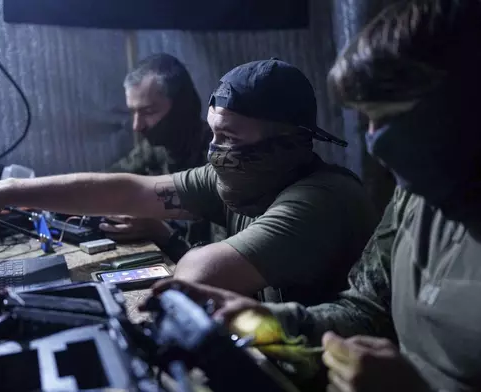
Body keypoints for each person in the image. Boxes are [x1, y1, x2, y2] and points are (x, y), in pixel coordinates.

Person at [150, 1, 481, 391]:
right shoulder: (417, 199)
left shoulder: (326, 194)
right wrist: (273, 322)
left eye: (391, 117)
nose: (374, 140)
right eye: (367, 119)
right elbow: (367, 309)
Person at [0, 58, 377, 306]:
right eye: (213, 133)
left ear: (288, 141)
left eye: (229, 138)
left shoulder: (320, 200)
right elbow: (129, 190)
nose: (214, 150)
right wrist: (7, 193)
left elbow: (204, 272)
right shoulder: (242, 174)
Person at [102, 53, 212, 260]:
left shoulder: (217, 161)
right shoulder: (158, 148)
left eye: (149, 112)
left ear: (182, 106)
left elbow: (219, 264)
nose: (137, 126)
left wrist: (161, 233)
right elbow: (112, 179)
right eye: (133, 113)